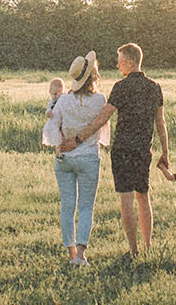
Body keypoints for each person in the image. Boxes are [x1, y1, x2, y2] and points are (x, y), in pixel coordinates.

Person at [59, 42, 168, 256]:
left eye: (119, 61)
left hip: (123, 151)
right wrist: (165, 151)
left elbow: (102, 118)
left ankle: (134, 250)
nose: (118, 65)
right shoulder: (155, 87)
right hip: (144, 150)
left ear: (129, 61)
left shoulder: (121, 87)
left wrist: (78, 139)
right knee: (143, 197)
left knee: (127, 199)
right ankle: (148, 247)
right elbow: (160, 122)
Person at [51, 52, 108, 265]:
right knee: (86, 206)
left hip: (64, 159)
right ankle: (82, 255)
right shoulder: (100, 99)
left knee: (67, 207)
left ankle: (71, 255)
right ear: (93, 76)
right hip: (88, 158)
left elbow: (52, 128)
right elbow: (102, 131)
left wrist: (59, 145)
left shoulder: (63, 100)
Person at [41, 77, 65, 148]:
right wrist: (48, 113)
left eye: (59, 94)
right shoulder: (51, 102)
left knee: (64, 138)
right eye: (54, 94)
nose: (57, 96)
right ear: (50, 92)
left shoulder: (64, 99)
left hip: (63, 122)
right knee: (56, 139)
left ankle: (64, 149)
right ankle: (58, 151)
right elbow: (48, 110)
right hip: (54, 123)